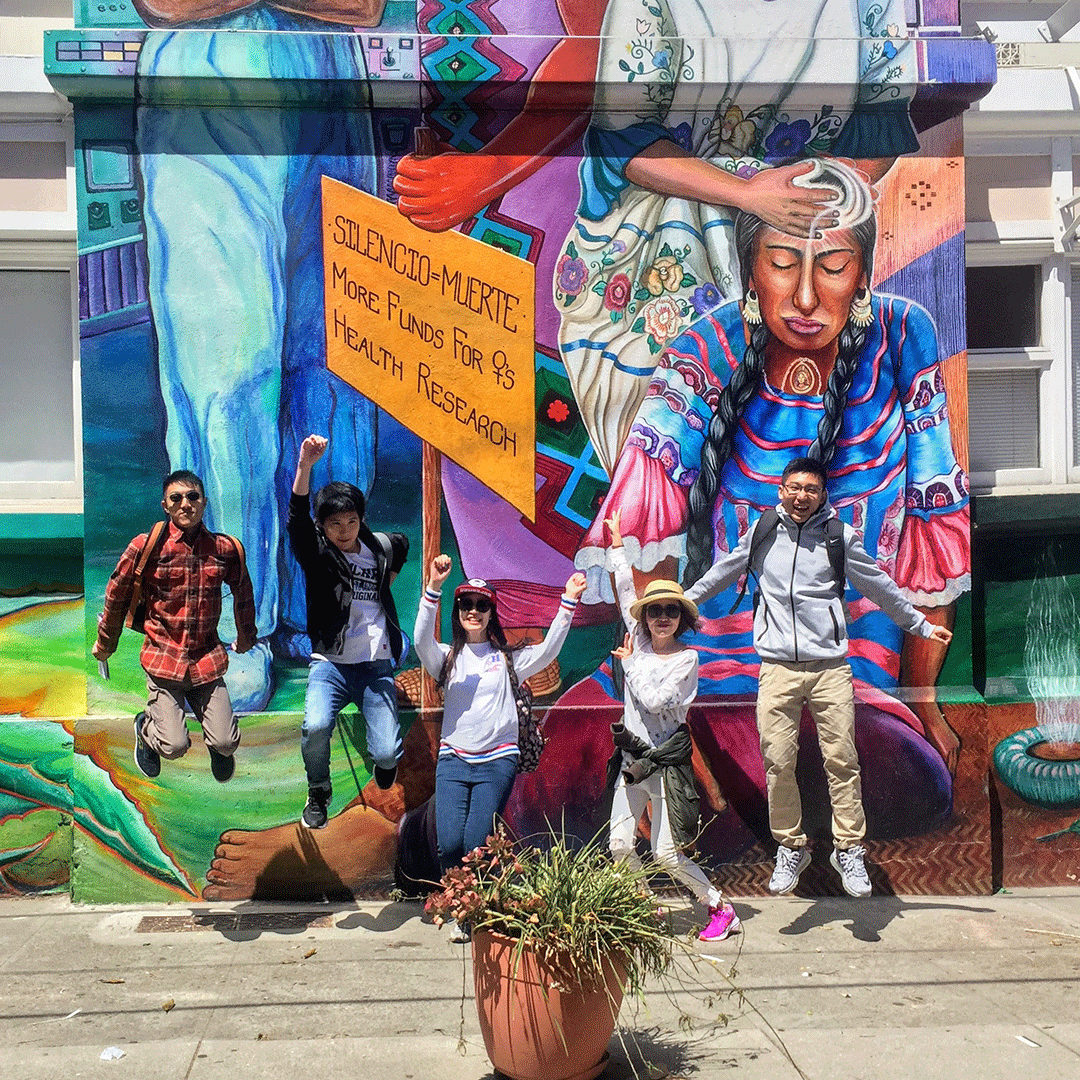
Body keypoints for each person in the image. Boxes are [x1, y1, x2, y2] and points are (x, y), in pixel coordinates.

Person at [538, 159, 967, 873]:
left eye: (832, 267)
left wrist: (925, 701)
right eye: (779, 264)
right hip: (705, 685)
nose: (805, 295)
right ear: (749, 270)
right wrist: (661, 685)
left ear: (862, 276)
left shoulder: (903, 339)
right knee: (565, 756)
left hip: (843, 683)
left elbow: (934, 535)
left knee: (895, 767)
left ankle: (719, 807)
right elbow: (647, 527)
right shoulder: (704, 348)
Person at [133, 0, 381, 711]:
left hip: (329, 74)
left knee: (330, 362)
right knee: (229, 372)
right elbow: (167, 2)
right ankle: (240, 631)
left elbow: (365, 6)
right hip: (204, 77)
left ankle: (320, 612)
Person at [556, 0, 918, 479]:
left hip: (811, 207)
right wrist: (748, 193)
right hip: (674, 211)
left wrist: (826, 195)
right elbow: (624, 140)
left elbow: (882, 120)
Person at [688, 457, 953, 896]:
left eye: (810, 489)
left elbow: (880, 586)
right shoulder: (763, 532)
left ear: (822, 494)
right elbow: (724, 571)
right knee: (777, 761)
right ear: (780, 490)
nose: (801, 495)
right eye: (794, 487)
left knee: (842, 760)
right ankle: (791, 848)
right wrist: (685, 603)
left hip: (830, 668)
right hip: (776, 669)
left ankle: (848, 850)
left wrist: (920, 626)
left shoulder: (839, 537)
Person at [415, 555, 587, 941]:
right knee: (449, 844)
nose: (473, 611)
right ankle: (465, 903)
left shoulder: (507, 660)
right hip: (453, 760)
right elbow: (420, 639)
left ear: (492, 612)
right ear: (458, 610)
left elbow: (548, 651)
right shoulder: (446, 658)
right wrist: (434, 588)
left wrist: (568, 602)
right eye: (466, 604)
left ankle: (470, 914)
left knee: (476, 841)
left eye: (481, 604)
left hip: (497, 761)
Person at [605, 509, 738, 940]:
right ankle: (644, 907)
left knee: (665, 854)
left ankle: (719, 908)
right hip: (633, 760)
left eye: (671, 611)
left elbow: (656, 700)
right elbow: (626, 588)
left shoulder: (687, 660)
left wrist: (630, 667)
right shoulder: (639, 640)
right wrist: (616, 545)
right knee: (620, 844)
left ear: (682, 618)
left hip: (664, 765)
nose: (662, 617)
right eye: (655, 610)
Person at [93, 470, 256, 783]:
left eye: (193, 497)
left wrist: (246, 636)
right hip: (163, 661)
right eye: (176, 498)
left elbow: (243, 594)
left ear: (204, 502)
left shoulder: (224, 550)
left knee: (226, 742)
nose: (186, 504)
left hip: (207, 662)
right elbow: (116, 595)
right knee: (173, 745)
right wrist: (105, 645)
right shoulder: (147, 546)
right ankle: (146, 728)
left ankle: (217, 747)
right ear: (165, 506)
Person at [287, 434, 409, 830]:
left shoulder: (378, 547)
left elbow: (402, 543)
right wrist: (305, 465)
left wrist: (385, 582)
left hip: (375, 666)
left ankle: (385, 764)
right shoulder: (318, 554)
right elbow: (297, 519)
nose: (345, 530)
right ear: (323, 526)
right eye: (335, 523)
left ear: (361, 518)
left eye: (352, 521)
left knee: (388, 753)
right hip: (332, 665)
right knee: (317, 725)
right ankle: (318, 790)